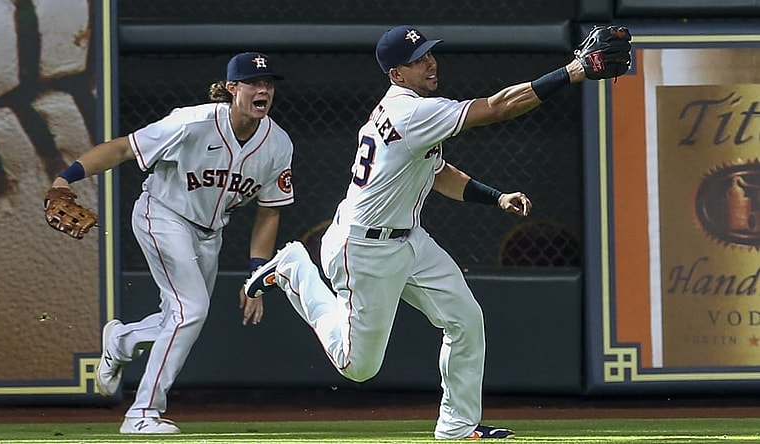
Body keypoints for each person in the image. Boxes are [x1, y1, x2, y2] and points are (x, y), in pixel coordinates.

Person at [244, 25, 627, 440]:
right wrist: (573, 71)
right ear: (396, 75)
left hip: (408, 239)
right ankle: (293, 268)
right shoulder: (410, 112)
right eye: (417, 60)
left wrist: (495, 198)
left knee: (466, 319)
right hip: (363, 248)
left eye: (429, 54)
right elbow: (498, 107)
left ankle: (457, 425)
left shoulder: (412, 110)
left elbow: (438, 171)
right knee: (357, 367)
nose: (429, 63)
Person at [46, 52, 294, 434]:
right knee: (191, 309)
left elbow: (269, 211)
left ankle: (122, 341)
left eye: (269, 83)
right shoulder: (191, 122)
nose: (263, 89)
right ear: (232, 89)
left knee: (179, 317)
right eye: (253, 82)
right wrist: (65, 179)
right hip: (161, 215)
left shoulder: (277, 144)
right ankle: (142, 412)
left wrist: (255, 275)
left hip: (210, 233)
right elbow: (125, 148)